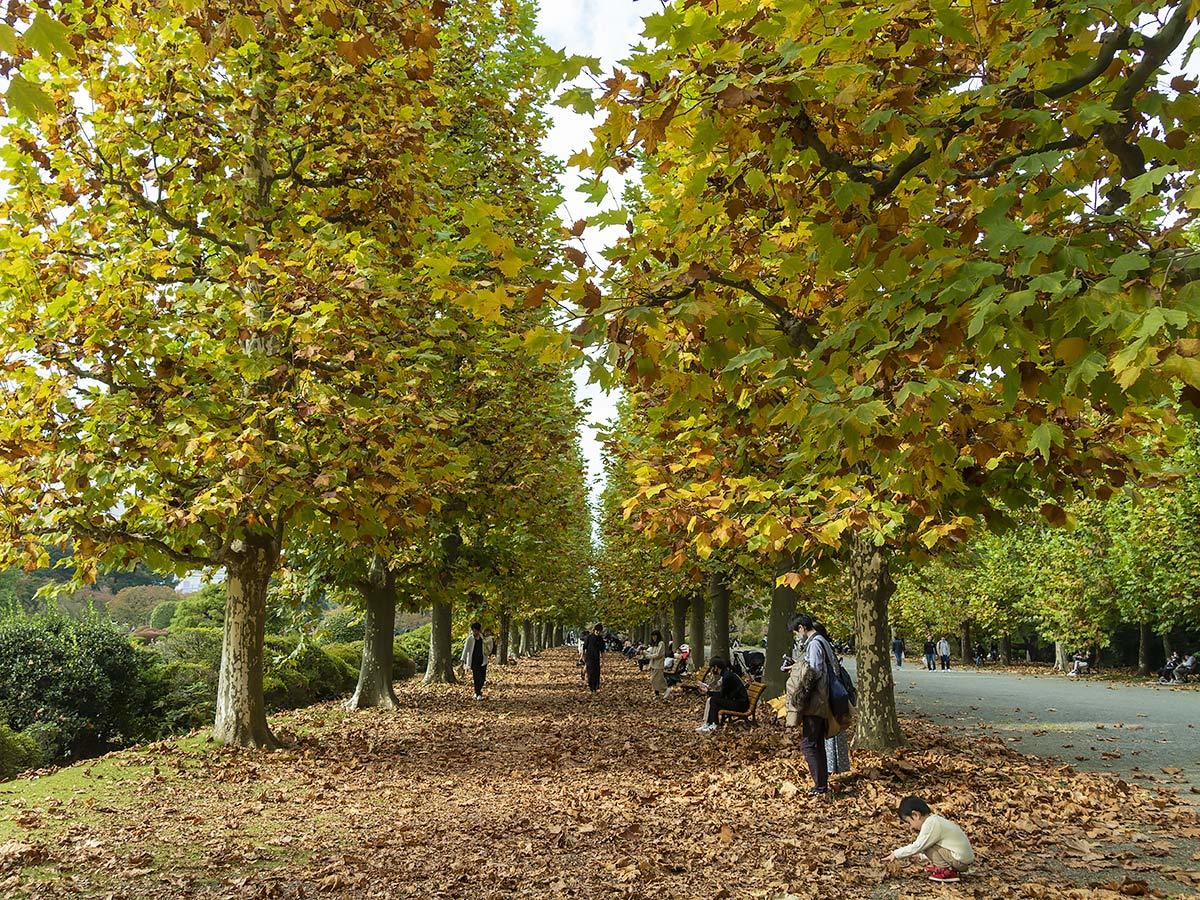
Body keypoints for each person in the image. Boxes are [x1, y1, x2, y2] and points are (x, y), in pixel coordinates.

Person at [784, 614, 841, 795]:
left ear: (801, 628)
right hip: (820, 699)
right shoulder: (821, 641)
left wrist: (801, 692)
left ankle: (820, 786)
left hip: (816, 700)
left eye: (796, 632)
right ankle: (821, 784)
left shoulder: (815, 643)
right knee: (816, 743)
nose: (796, 636)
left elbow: (814, 672)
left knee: (808, 744)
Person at [885, 796, 975, 884]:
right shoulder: (935, 820)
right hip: (961, 859)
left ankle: (946, 871)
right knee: (927, 844)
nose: (911, 827)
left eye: (909, 822)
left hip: (959, 861)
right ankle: (946, 868)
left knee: (925, 845)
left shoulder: (930, 824)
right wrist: (921, 856)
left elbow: (918, 846)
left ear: (915, 815)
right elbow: (942, 846)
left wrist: (896, 854)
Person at [695, 656, 747, 733]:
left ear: (716, 667)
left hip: (740, 705)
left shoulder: (727, 677)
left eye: (711, 668)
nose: (711, 670)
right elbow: (724, 694)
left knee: (713, 700)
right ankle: (709, 723)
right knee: (713, 700)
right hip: (737, 702)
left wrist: (707, 692)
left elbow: (722, 695)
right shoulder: (727, 675)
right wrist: (708, 691)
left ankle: (713, 724)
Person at [460, 622, 489, 701]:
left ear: (479, 631)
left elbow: (488, 647)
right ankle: (478, 693)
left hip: (483, 660)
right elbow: (466, 649)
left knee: (482, 678)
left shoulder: (483, 638)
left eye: (476, 630)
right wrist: (463, 660)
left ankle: (478, 692)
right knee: (476, 677)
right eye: (473, 630)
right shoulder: (470, 639)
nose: (474, 632)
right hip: (474, 661)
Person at [643, 630, 669, 700]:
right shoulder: (654, 644)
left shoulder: (661, 643)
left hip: (659, 664)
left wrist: (648, 656)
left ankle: (666, 689)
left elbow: (658, 655)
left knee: (655, 680)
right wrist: (645, 652)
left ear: (658, 636)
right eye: (652, 636)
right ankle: (657, 694)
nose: (654, 637)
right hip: (653, 664)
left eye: (655, 636)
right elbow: (650, 651)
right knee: (656, 680)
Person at [580, 623, 604, 693]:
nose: (598, 632)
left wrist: (603, 659)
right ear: (594, 630)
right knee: (590, 672)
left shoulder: (600, 639)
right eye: (597, 631)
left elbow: (602, 650)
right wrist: (582, 656)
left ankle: (595, 687)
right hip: (589, 656)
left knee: (596, 672)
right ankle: (591, 686)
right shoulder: (589, 637)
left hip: (596, 657)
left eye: (600, 631)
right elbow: (584, 648)